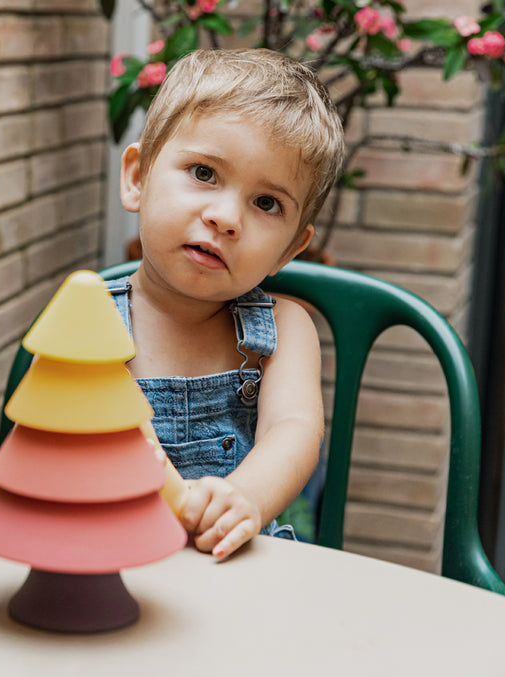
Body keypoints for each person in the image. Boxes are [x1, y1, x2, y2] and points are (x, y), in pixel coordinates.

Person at [109, 48, 346, 559]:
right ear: (137, 178)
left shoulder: (282, 330)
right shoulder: (89, 321)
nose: (226, 216)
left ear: (290, 249)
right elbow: (47, 435)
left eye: (267, 203)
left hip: (236, 566)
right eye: (203, 172)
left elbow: (294, 429)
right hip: (115, 561)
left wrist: (247, 497)